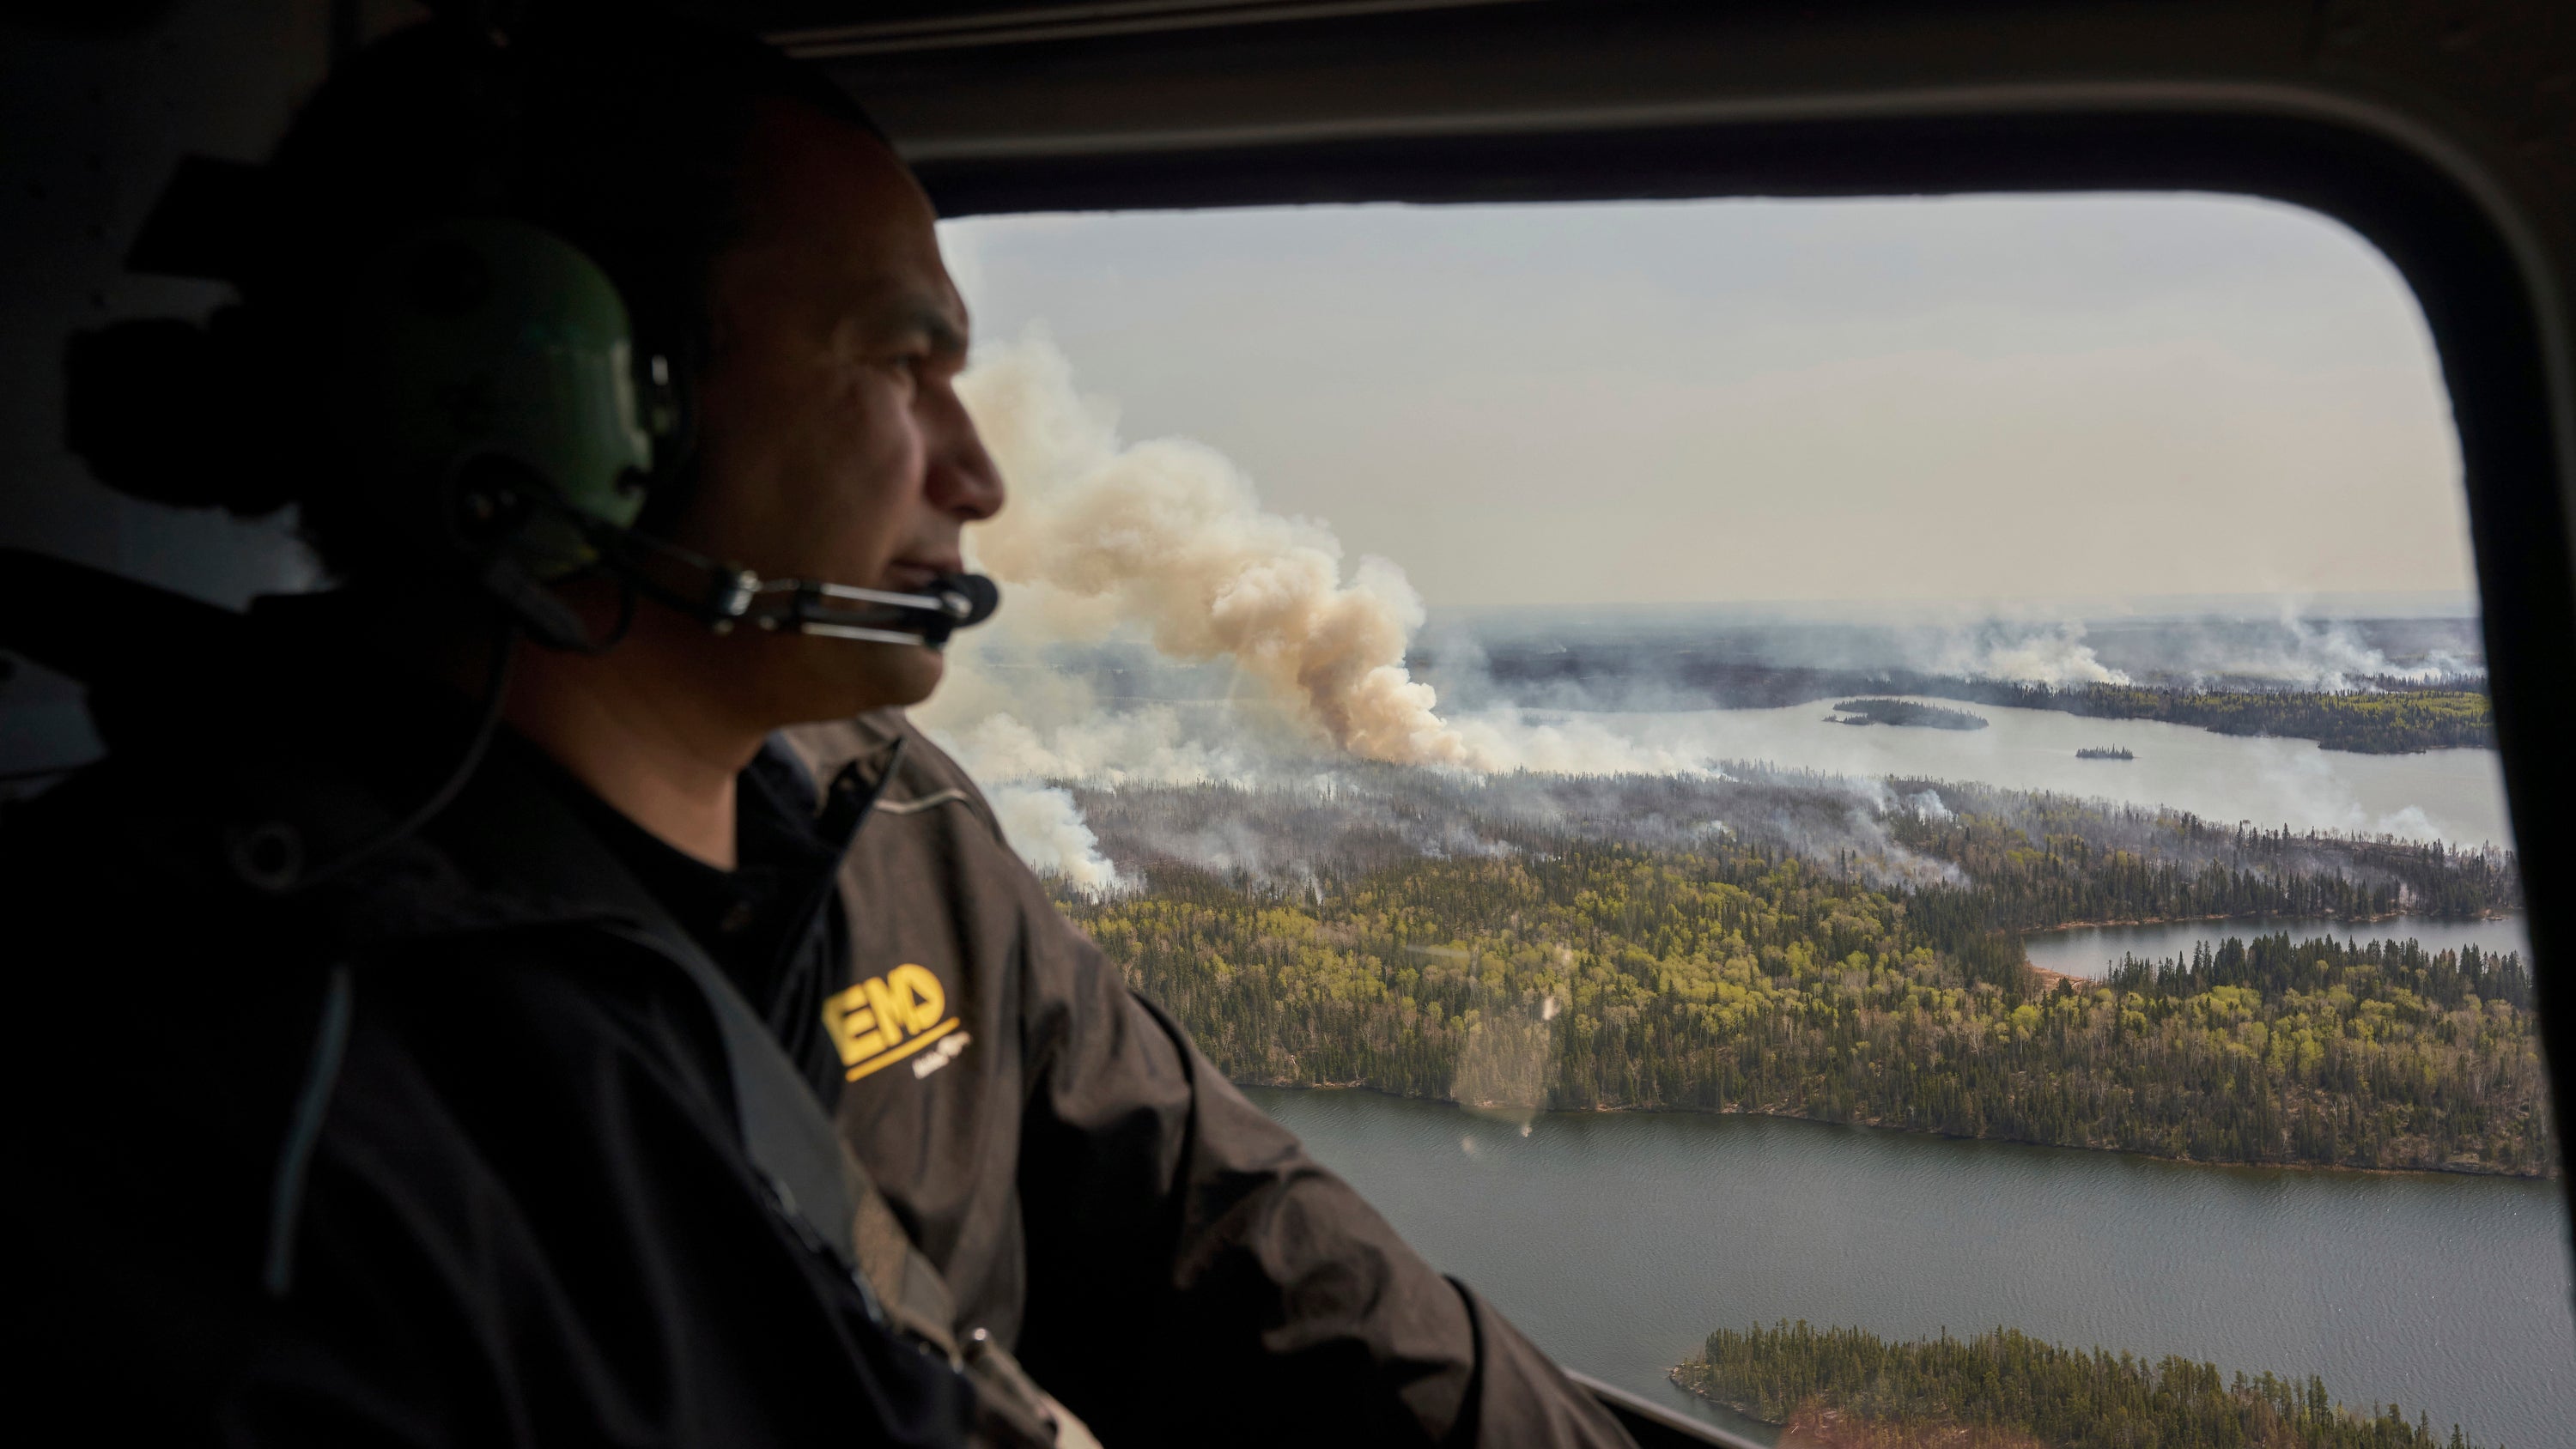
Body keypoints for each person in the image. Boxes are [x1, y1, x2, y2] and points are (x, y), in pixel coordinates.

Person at [10, 9, 1631, 1447]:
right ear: (572, 407)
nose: (978, 477)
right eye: (900, 360)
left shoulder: (893, 819)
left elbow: (1238, 1239)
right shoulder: (214, 1093)